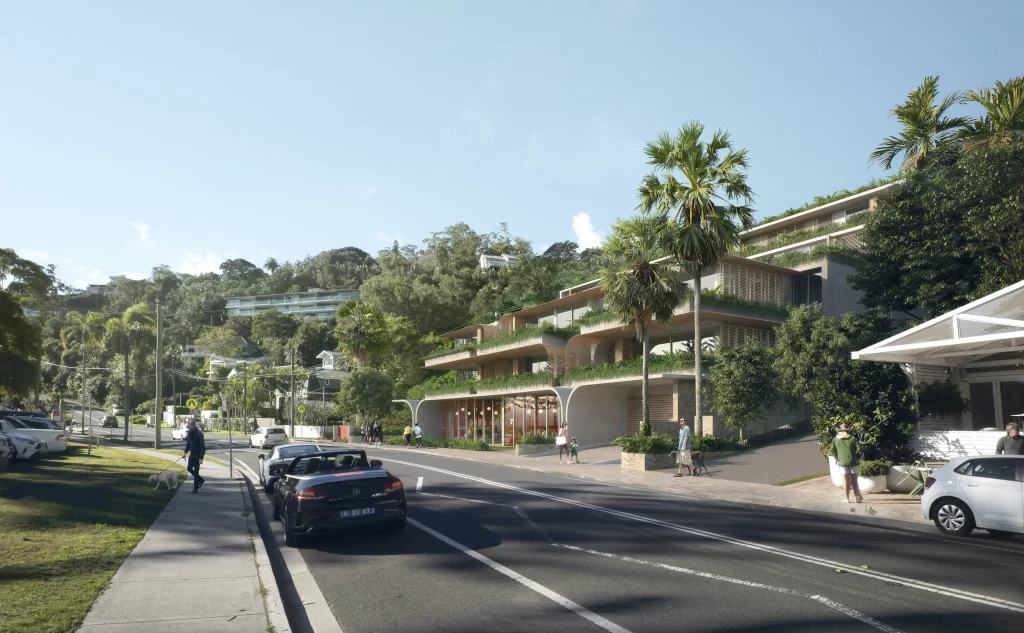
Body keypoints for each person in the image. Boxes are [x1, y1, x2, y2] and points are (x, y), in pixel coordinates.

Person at [830, 422, 863, 503]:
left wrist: (838, 459)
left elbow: (833, 451)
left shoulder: (835, 440)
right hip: (853, 462)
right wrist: (857, 457)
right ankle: (857, 498)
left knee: (846, 481)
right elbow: (860, 450)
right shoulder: (853, 438)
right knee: (854, 481)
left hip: (842, 462)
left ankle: (847, 498)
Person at [182, 418, 206, 493]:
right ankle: (200, 480)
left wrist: (201, 458)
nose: (187, 425)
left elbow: (202, 446)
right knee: (189, 468)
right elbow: (188, 443)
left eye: (188, 424)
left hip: (198, 455)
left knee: (196, 471)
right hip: (192, 454)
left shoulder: (199, 434)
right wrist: (185, 452)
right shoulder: (189, 432)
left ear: (192, 425)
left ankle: (195, 488)